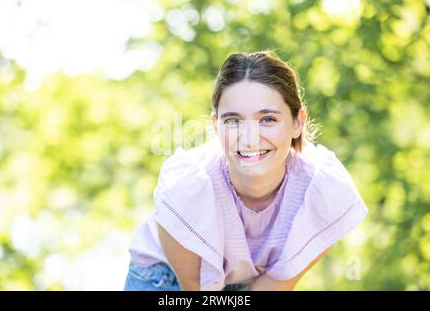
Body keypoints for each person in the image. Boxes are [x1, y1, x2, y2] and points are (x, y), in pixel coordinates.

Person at [124, 51, 368, 291]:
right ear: (216, 126)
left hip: (244, 279)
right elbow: (194, 289)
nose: (250, 140)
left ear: (297, 122)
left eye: (267, 119)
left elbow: (277, 285)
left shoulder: (322, 191)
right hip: (164, 278)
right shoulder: (186, 189)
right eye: (233, 120)